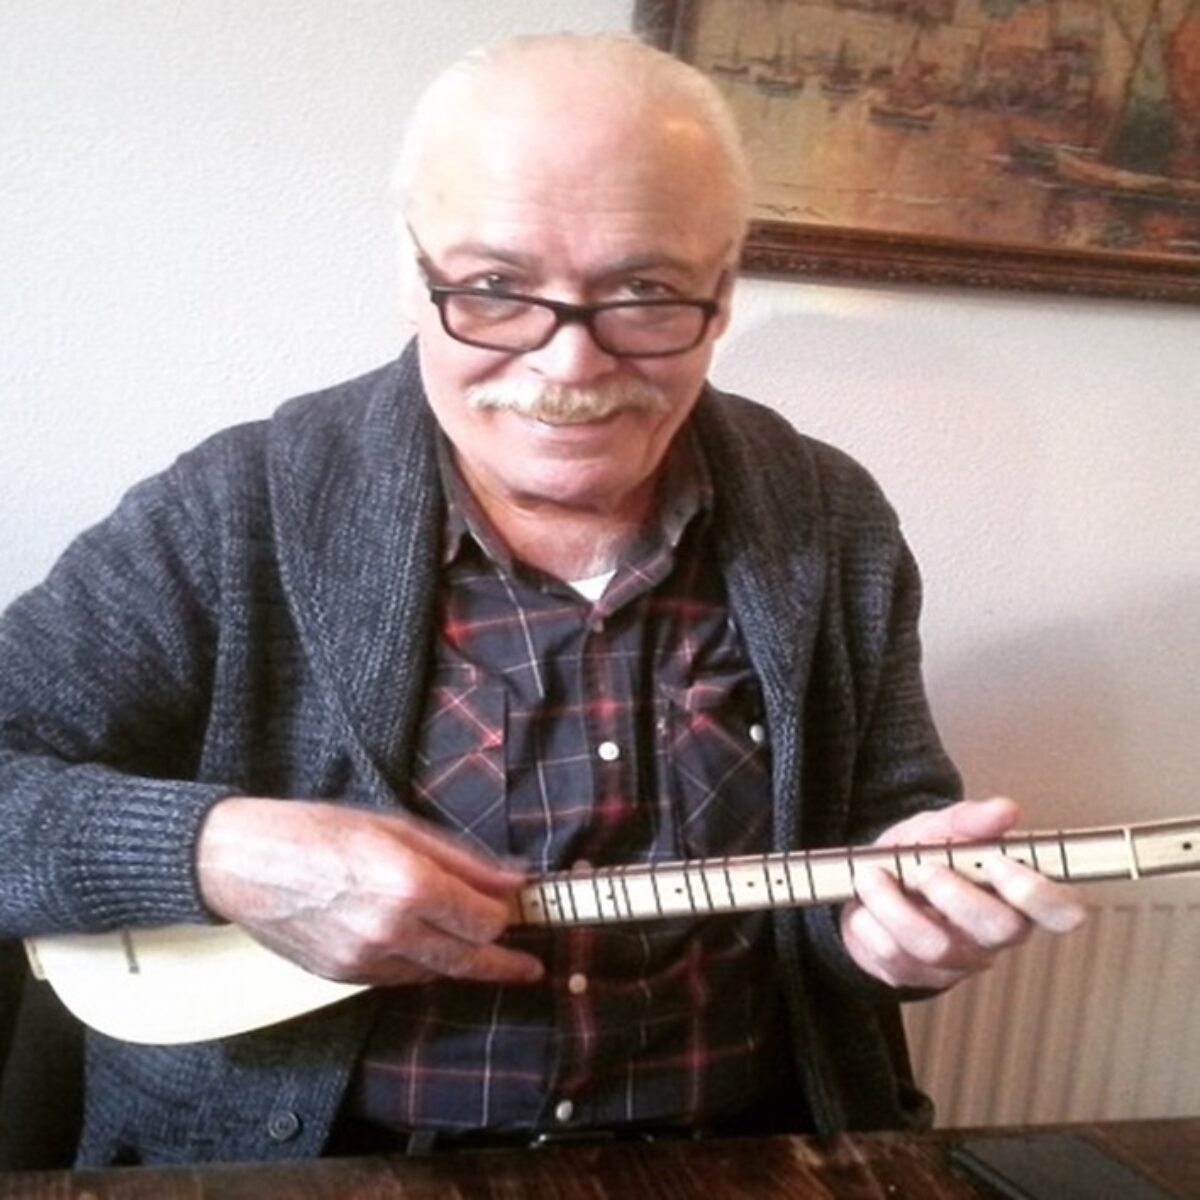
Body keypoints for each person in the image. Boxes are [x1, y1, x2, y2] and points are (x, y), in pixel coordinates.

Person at [0, 32, 1085, 1167]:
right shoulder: (233, 511)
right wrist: (214, 852)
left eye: (644, 293)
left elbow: (880, 836)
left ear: (723, 290)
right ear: (412, 272)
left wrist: (893, 935)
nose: (568, 365)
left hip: (739, 1162)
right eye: (494, 289)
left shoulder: (831, 519)